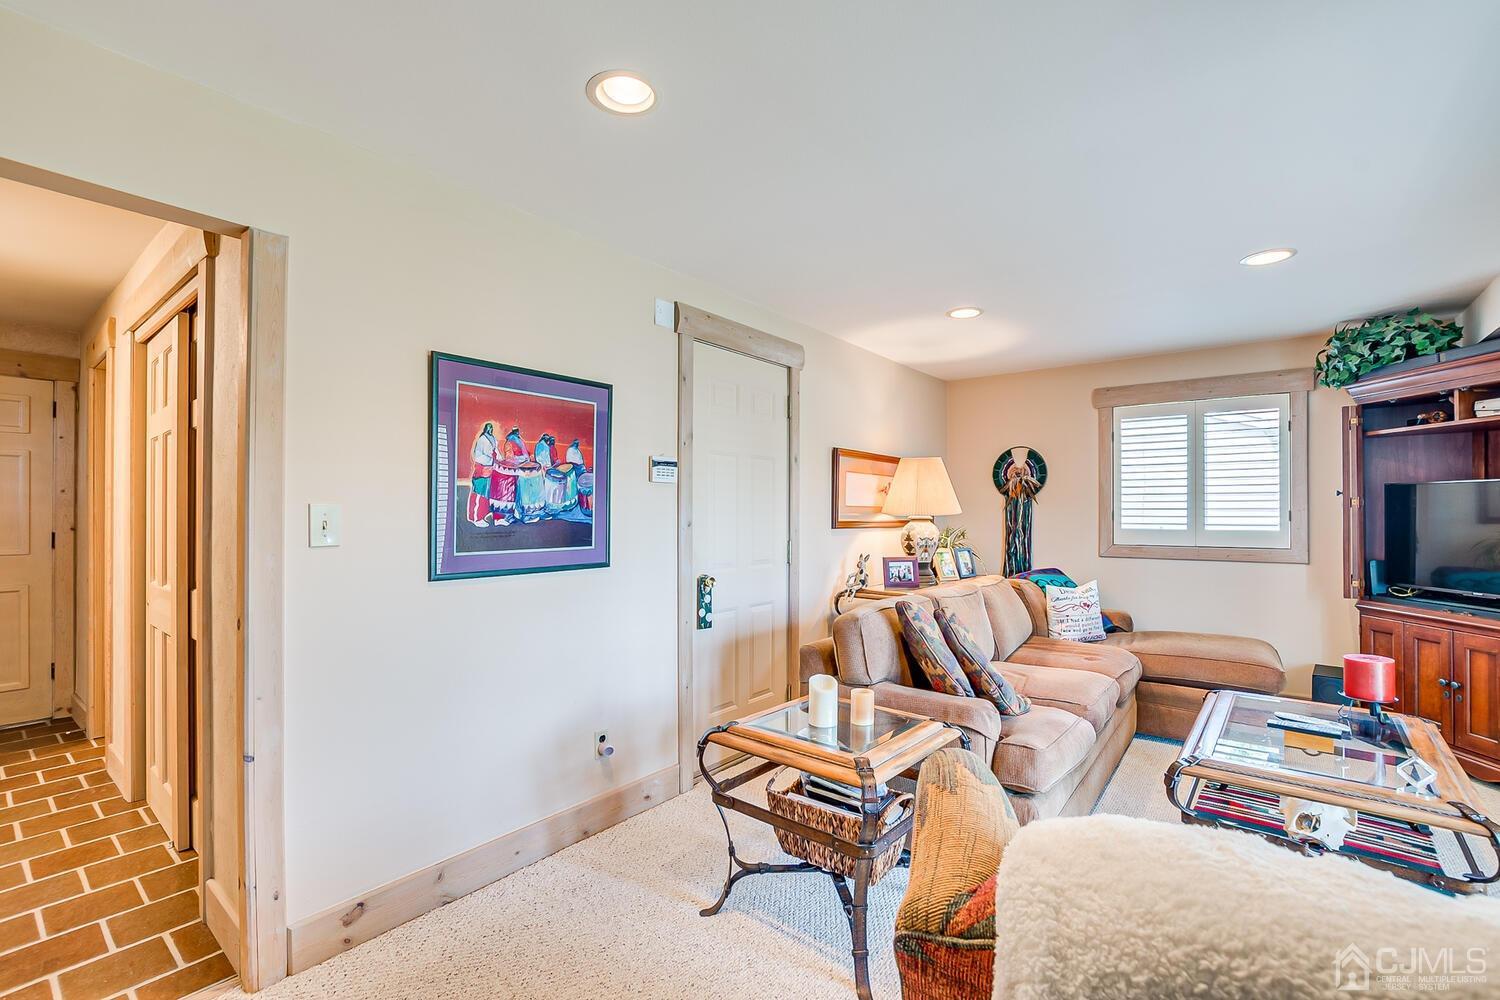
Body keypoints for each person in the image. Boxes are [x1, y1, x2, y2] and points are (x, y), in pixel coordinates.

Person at [467, 422, 499, 525]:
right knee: (479, 493)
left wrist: (500, 461)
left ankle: (485, 513)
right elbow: (479, 456)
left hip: (490, 469)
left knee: (488, 493)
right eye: (489, 428)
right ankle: (476, 518)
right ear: (485, 429)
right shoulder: (482, 440)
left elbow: (496, 451)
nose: (490, 429)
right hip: (482, 470)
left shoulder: (493, 438)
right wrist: (491, 461)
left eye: (491, 428)